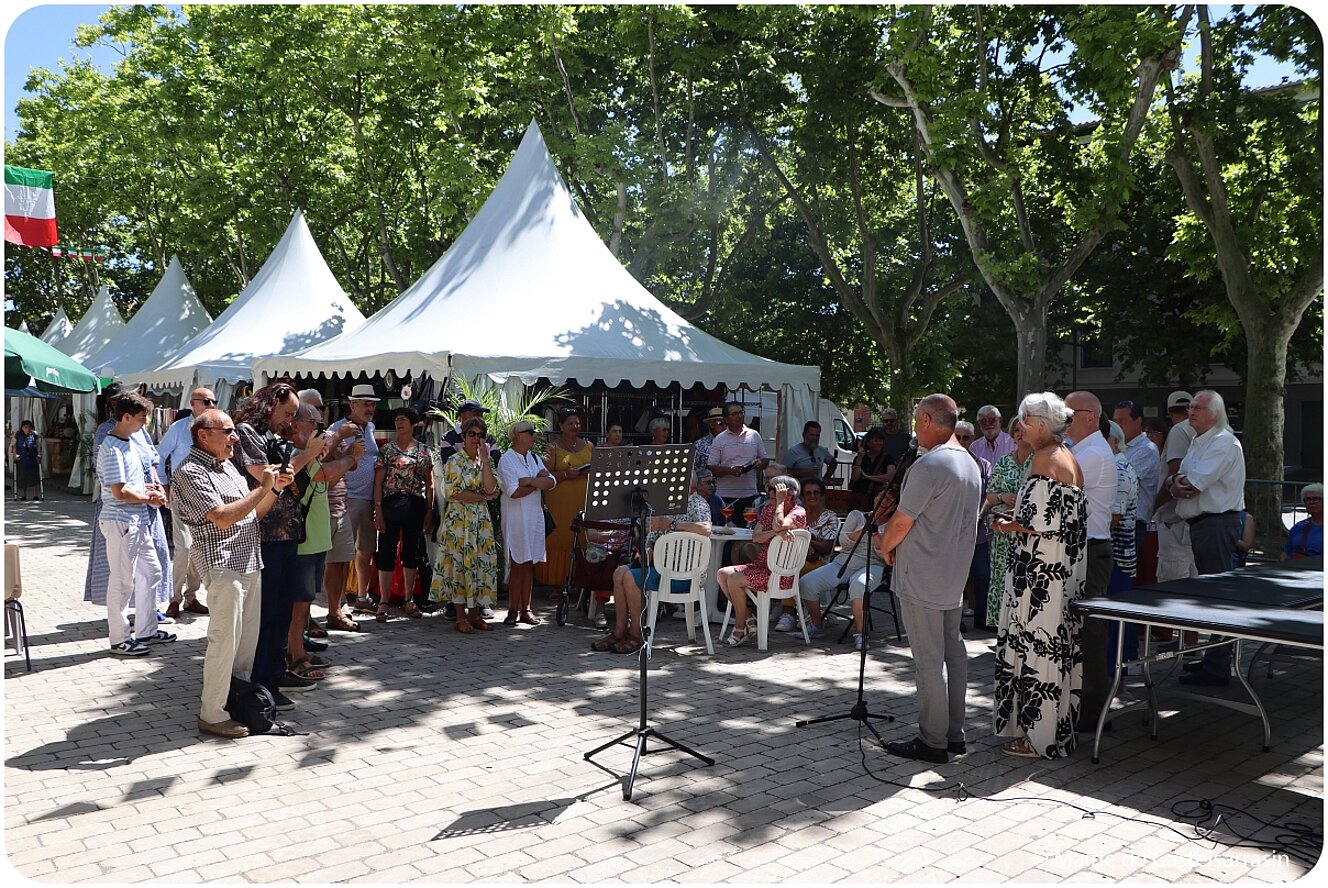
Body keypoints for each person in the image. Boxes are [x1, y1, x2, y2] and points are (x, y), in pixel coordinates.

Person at [172, 408, 294, 737]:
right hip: (222, 566)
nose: (235, 437)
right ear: (203, 435)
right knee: (223, 642)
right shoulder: (189, 470)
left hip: (249, 560)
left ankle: (237, 704)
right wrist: (263, 486)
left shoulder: (229, 467)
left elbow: (253, 515)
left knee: (244, 649)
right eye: (227, 431)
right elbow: (222, 517)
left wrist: (274, 489)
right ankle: (211, 714)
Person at [878, 394, 982, 764]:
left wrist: (884, 545)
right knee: (953, 654)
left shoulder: (930, 465)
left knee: (929, 659)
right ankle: (953, 734)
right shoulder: (970, 463)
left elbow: (902, 521)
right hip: (953, 574)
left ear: (924, 419)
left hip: (923, 573)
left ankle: (933, 739)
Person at [991, 392, 1088, 759]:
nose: (1020, 426)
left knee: (1039, 652)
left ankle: (1038, 738)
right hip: (1059, 574)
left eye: (1025, 419)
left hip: (1040, 579)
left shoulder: (1045, 459)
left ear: (1042, 424)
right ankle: (1052, 732)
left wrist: (1003, 525)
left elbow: (1034, 523)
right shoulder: (1068, 458)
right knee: (1054, 650)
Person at [233, 382, 328, 709]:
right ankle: (262, 680)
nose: (289, 420)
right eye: (287, 413)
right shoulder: (246, 433)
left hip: (287, 536)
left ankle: (275, 670)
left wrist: (303, 447)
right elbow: (266, 476)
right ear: (269, 405)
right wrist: (308, 454)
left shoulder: (275, 437)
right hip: (264, 537)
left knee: (282, 611)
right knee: (266, 613)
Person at [1171, 390, 1247, 686]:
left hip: (1216, 525)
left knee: (1219, 596)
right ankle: (1214, 658)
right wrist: (1177, 484)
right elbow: (1178, 480)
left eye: (1198, 407)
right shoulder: (1199, 441)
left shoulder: (1222, 442)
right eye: (1190, 406)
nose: (1191, 411)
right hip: (1204, 524)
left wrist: (1177, 484)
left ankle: (1218, 666)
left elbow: (1191, 483)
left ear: (1214, 413)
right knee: (1211, 594)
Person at [96, 391, 177, 656]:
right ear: (126, 417)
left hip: (136, 521)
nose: (145, 423)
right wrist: (149, 497)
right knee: (121, 583)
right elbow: (119, 492)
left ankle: (146, 630)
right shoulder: (111, 448)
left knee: (152, 572)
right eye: (142, 418)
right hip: (121, 521)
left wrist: (149, 489)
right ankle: (119, 638)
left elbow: (131, 483)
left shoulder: (129, 442)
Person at [593, 480, 712, 653]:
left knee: (629, 577)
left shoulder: (696, 502)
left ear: (690, 486)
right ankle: (619, 631)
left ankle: (637, 634)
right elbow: (651, 542)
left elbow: (706, 529)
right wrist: (647, 551)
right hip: (660, 569)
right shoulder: (663, 506)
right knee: (619, 572)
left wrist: (671, 525)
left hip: (685, 575)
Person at [287, 403, 358, 677]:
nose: (318, 429)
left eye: (320, 424)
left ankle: (298, 648)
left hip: (314, 539)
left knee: (304, 600)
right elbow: (324, 475)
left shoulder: (311, 454)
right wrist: (350, 456)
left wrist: (344, 453)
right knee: (298, 603)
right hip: (304, 540)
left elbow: (327, 476)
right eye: (314, 423)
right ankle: (295, 656)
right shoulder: (299, 454)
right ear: (297, 425)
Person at [1064, 391, 1116, 731]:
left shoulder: (1093, 452)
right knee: (1081, 631)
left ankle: (1095, 711)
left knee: (1091, 632)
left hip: (1091, 550)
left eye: (1069, 413)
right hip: (1084, 549)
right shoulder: (1082, 449)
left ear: (1090, 417)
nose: (1063, 419)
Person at [717, 474, 806, 646]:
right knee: (722, 574)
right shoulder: (768, 510)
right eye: (770, 489)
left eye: (775, 490)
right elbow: (756, 537)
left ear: (790, 494)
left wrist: (779, 506)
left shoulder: (798, 512)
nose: (770, 493)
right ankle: (750, 619)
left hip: (780, 575)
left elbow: (779, 524)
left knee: (734, 579)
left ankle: (740, 627)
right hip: (762, 567)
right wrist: (774, 533)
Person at [431, 416, 500, 633]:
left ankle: (475, 615)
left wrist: (486, 461)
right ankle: (460, 617)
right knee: (460, 567)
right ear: (463, 437)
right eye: (472, 434)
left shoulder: (484, 461)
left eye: (480, 435)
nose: (476, 438)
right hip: (459, 522)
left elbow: (491, 489)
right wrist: (483, 497)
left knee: (479, 565)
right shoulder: (454, 461)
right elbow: (456, 493)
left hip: (480, 522)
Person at [798, 491, 893, 647]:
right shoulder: (856, 515)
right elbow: (843, 541)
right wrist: (862, 531)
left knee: (859, 586)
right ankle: (817, 626)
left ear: (893, 506)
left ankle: (861, 635)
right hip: (844, 562)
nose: (883, 499)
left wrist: (875, 534)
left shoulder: (892, 525)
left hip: (873, 565)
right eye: (881, 495)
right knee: (806, 583)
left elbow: (884, 555)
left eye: (889, 499)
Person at [158, 388, 219, 618]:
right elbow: (160, 456)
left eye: (214, 401)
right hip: (182, 493)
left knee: (199, 547)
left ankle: (190, 597)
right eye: (206, 401)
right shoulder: (179, 428)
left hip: (208, 495)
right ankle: (174, 598)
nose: (211, 404)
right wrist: (165, 486)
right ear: (193, 404)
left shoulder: (217, 429)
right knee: (184, 547)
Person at [372, 407, 434, 622]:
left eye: (403, 419)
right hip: (391, 504)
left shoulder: (424, 451)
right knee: (387, 551)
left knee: (412, 552)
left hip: (415, 504)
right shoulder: (387, 450)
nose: (399, 423)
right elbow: (378, 482)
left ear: (413, 423)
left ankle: (409, 598)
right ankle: (384, 601)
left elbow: (430, 483)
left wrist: (429, 510)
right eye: (397, 419)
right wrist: (377, 509)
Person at [328, 385, 381, 613]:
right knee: (341, 554)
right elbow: (327, 458)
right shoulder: (336, 428)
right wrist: (346, 450)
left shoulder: (370, 427)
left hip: (368, 498)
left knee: (365, 550)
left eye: (372, 404)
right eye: (366, 403)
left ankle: (362, 596)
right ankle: (338, 601)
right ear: (353, 405)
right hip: (346, 497)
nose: (371, 408)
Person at [499, 419, 556, 625]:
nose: (534, 436)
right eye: (530, 432)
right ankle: (513, 610)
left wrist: (530, 481)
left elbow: (551, 482)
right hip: (515, 518)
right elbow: (513, 491)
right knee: (517, 563)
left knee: (529, 563)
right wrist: (536, 482)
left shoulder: (533, 458)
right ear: (517, 436)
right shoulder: (507, 459)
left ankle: (527, 609)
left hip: (533, 516)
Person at [982, 417, 1033, 631]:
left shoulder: (1039, 461)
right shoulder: (1003, 462)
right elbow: (989, 495)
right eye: (1016, 431)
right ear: (1012, 436)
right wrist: (1003, 496)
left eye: (1023, 430)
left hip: (1027, 533)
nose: (1020, 434)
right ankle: (1002, 627)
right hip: (1002, 533)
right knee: (1001, 578)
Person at [537, 407, 594, 587]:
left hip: (582, 500)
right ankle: (556, 583)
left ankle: (580, 582)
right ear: (561, 426)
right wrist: (566, 475)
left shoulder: (589, 446)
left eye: (577, 423)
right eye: (570, 423)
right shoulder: (552, 447)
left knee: (582, 538)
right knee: (561, 538)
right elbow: (544, 475)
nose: (574, 426)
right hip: (560, 502)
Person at [774, 476, 838, 633]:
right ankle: (788, 613)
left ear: (822, 495)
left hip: (821, 562)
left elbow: (828, 547)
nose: (812, 496)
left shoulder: (830, 517)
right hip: (794, 558)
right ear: (802, 497)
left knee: (791, 568)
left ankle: (789, 612)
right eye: (808, 493)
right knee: (783, 565)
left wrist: (805, 541)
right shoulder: (798, 514)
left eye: (816, 492)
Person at [1154, 391, 1198, 584]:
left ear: (1170, 413)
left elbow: (1175, 475)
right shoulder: (1210, 431)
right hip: (1196, 519)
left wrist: (1154, 506)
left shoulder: (1180, 430)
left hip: (1175, 520)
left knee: (1171, 585)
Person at [1112, 399, 1160, 563]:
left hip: (1133, 523)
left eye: (1122, 421)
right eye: (1116, 421)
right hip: (1116, 519)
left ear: (1138, 421)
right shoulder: (1117, 447)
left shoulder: (1147, 449)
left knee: (1121, 572)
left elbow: (1118, 479)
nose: (1118, 426)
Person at [707, 401, 768, 517]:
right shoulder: (719, 440)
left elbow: (765, 460)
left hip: (750, 494)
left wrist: (760, 463)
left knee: (748, 530)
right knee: (726, 530)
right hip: (725, 496)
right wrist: (730, 471)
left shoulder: (754, 436)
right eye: (734, 414)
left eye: (741, 412)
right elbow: (711, 468)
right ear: (726, 419)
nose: (739, 416)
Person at [848, 427, 894, 511]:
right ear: (868, 443)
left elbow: (890, 476)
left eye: (880, 441)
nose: (879, 443)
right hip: (861, 496)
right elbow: (855, 477)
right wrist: (860, 457)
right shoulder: (861, 458)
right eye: (876, 440)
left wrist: (868, 477)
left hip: (877, 497)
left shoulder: (887, 458)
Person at [1283, 484, 1324, 560]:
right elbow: (1286, 552)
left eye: (1315, 499)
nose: (1311, 502)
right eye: (1307, 499)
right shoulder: (1299, 527)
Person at [12, 419, 41, 501]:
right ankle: (23, 495)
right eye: (25, 427)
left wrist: (39, 454)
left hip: (32, 457)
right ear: (22, 428)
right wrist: (15, 455)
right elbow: (14, 445)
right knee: (22, 476)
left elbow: (38, 445)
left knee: (34, 476)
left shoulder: (34, 434)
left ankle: (36, 495)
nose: (27, 429)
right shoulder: (18, 434)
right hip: (22, 457)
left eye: (29, 427)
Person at [692, 407, 723, 477]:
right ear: (711, 424)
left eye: (726, 423)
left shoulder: (733, 443)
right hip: (707, 486)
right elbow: (693, 469)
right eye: (720, 422)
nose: (724, 426)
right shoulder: (699, 444)